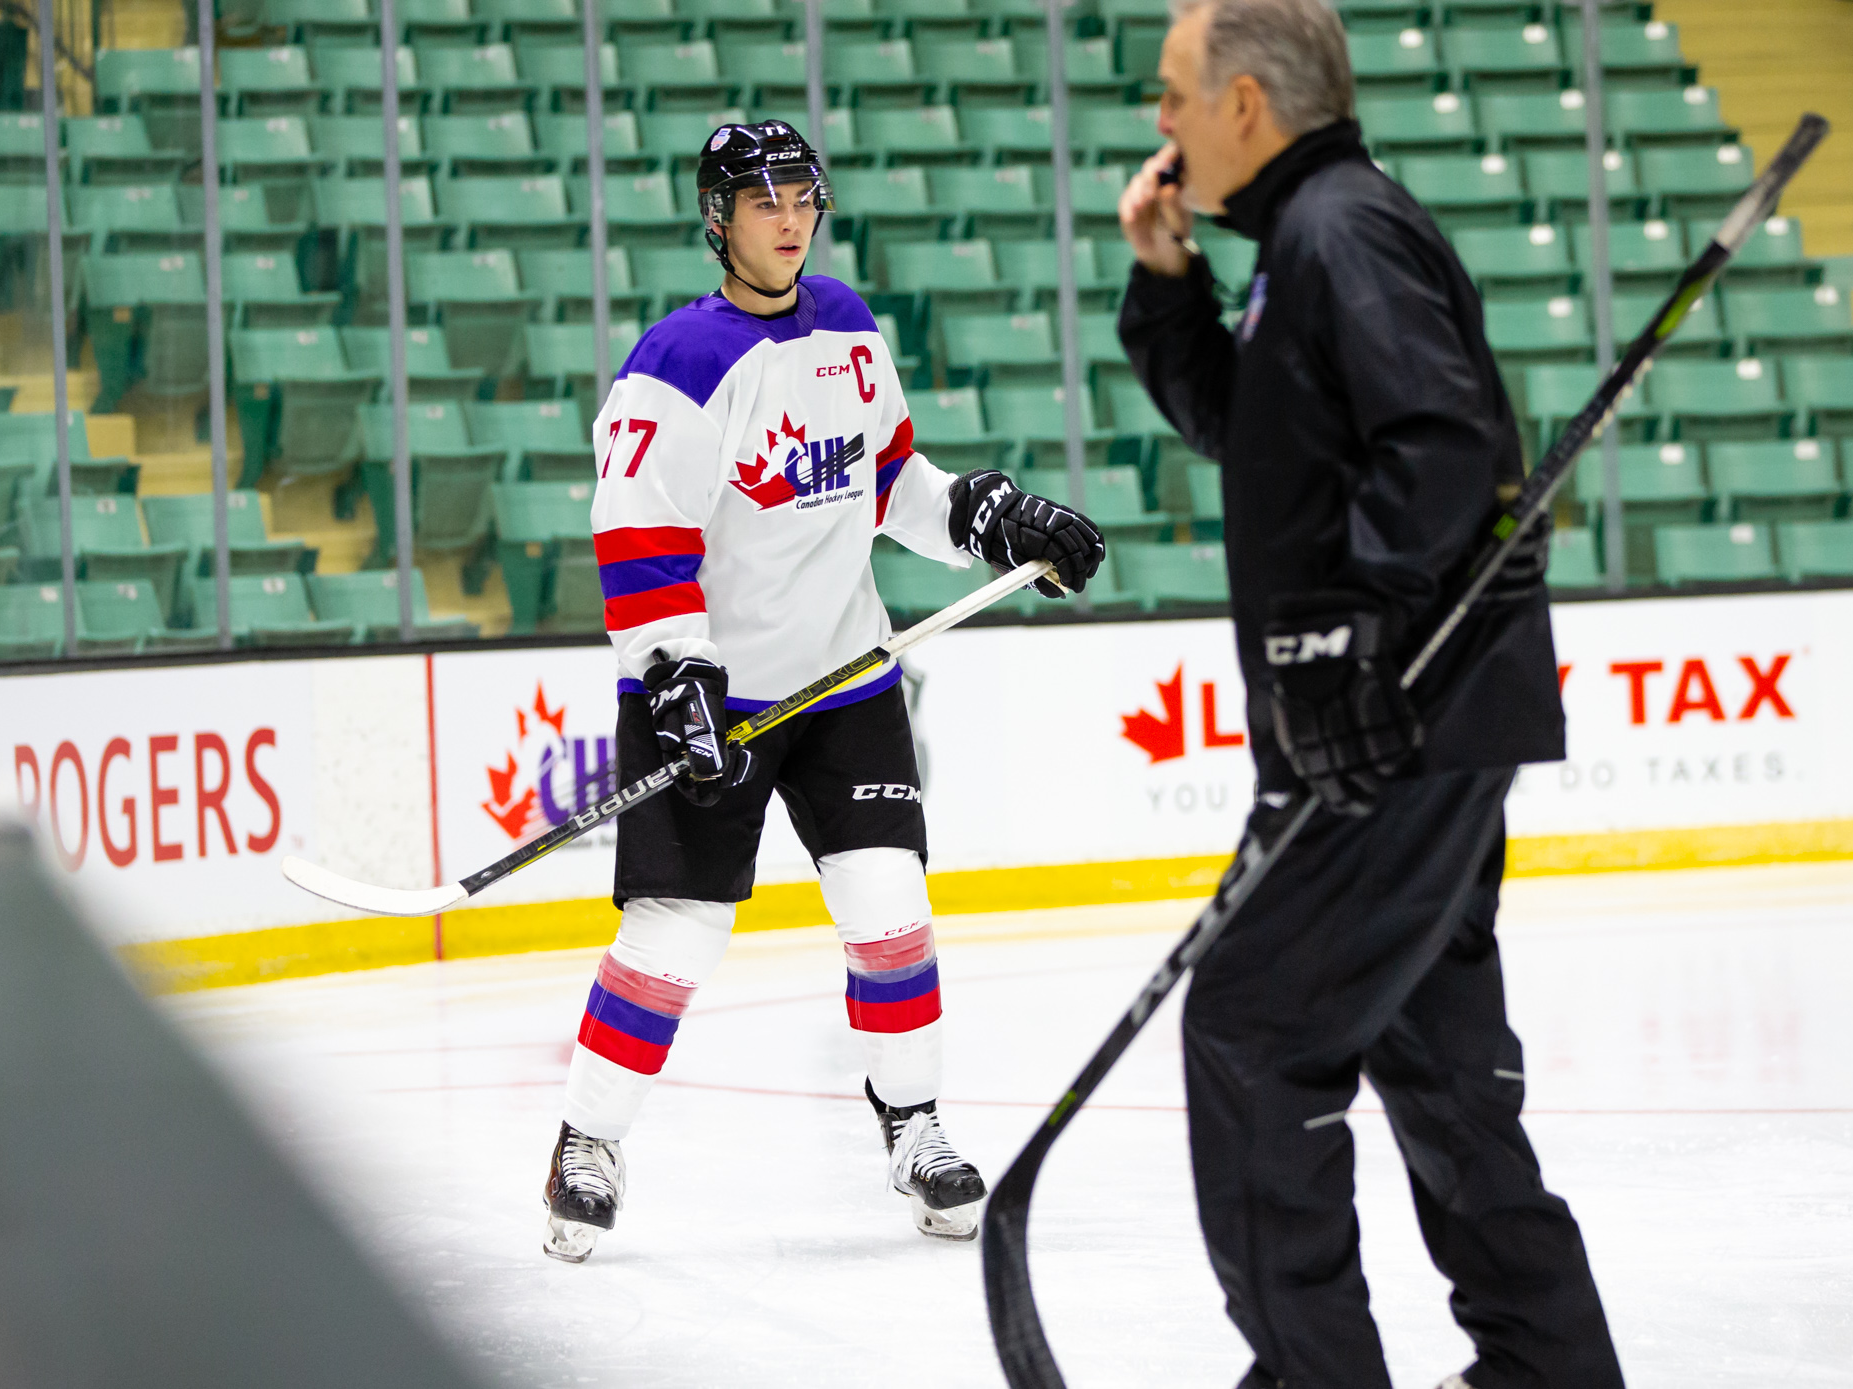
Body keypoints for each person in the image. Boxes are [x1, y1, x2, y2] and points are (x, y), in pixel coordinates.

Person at [1114, 3, 1625, 1386]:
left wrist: (1349, 640)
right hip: (1412, 722)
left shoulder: (1341, 231)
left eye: (1172, 95)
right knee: (1435, 1054)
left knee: (1252, 1028)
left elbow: (1447, 440)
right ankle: (1549, 1365)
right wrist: (1169, 292)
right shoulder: (1308, 240)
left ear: (1243, 105)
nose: (1158, 126)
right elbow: (1260, 443)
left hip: (1392, 728)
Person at [539, 120, 1107, 1264]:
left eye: (802, 196)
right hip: (711, 694)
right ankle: (586, 1142)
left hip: (845, 680)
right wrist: (674, 676)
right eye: (763, 201)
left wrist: (989, 519)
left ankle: (915, 1127)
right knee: (673, 937)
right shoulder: (675, 366)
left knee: (890, 914)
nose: (789, 218)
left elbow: (890, 479)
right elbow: (636, 536)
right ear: (717, 217)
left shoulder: (846, 326)